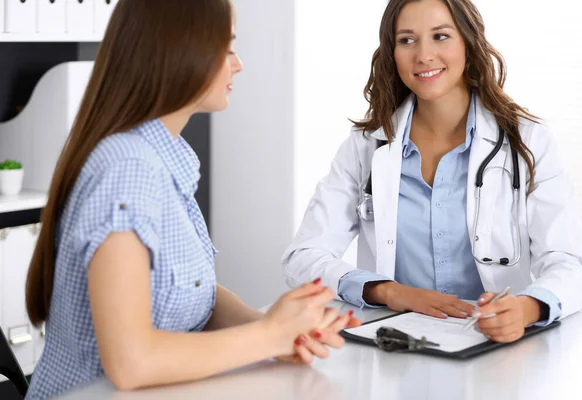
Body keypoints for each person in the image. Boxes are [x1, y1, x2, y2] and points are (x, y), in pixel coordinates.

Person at [24, 1, 359, 398]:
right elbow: (132, 363)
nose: (238, 64)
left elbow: (194, 292)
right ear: (182, 50)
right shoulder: (127, 169)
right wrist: (268, 336)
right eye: (228, 47)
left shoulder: (165, 157)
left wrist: (278, 331)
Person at [283, 0, 582, 344]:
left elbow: (568, 263)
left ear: (469, 44)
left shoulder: (528, 141)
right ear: (391, 52)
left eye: (440, 36)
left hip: (494, 348)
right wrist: (387, 291)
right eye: (407, 40)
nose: (424, 55)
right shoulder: (366, 146)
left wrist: (527, 309)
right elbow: (303, 258)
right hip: (395, 342)